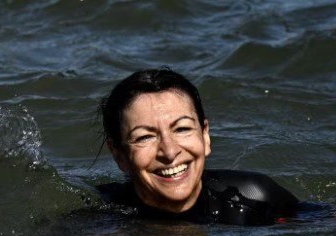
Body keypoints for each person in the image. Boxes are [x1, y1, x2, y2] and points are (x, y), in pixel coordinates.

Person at [97, 68, 300, 226]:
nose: (169, 152)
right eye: (145, 137)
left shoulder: (256, 198)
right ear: (119, 155)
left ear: (205, 136)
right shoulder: (102, 225)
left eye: (182, 129)